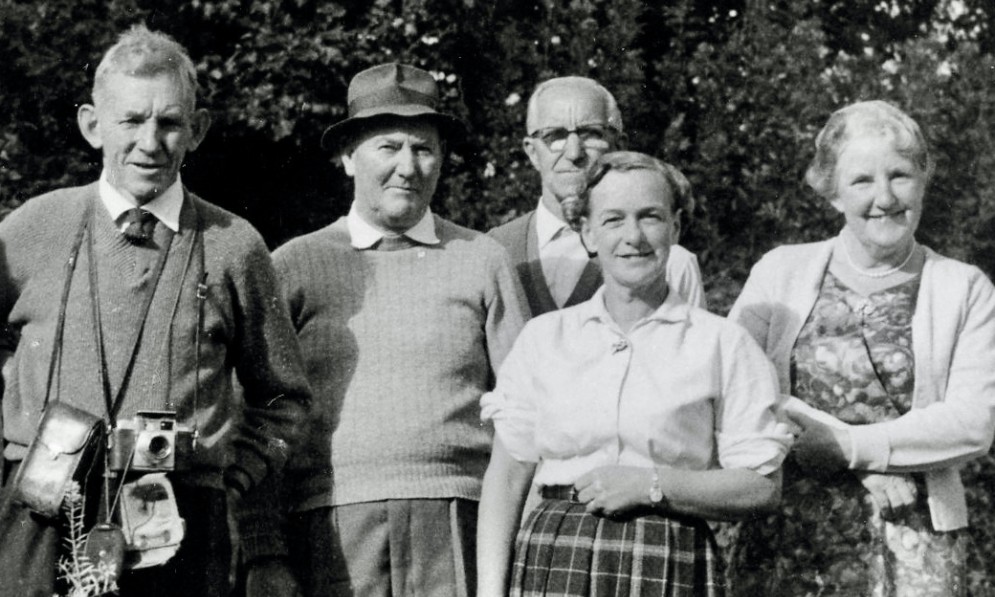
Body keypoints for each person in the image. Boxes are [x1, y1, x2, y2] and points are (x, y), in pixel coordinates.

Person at [0, 25, 311, 597]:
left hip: (178, 516)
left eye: (170, 122)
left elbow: (285, 399)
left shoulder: (233, 245)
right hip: (40, 509)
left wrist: (228, 477)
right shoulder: (29, 229)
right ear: (92, 125)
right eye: (131, 121)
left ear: (198, 129)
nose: (151, 141)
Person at [238, 63, 529, 597]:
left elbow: (529, 412)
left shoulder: (482, 258)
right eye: (388, 147)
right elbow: (255, 416)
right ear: (348, 157)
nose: (408, 167)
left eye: (424, 148)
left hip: (459, 519)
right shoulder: (295, 265)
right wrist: (263, 549)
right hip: (328, 527)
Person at [477, 151, 789, 597]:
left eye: (650, 217)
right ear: (587, 232)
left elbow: (761, 488)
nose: (633, 237)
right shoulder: (543, 338)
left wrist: (652, 485)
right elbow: (507, 478)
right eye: (613, 220)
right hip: (556, 553)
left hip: (668, 555)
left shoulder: (722, 344)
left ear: (676, 227)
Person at [726, 100, 995, 596]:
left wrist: (851, 449)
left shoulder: (965, 288)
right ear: (832, 193)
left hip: (916, 539)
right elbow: (733, 390)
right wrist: (856, 462)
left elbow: (974, 423)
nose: (885, 197)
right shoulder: (780, 271)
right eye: (862, 181)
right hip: (790, 536)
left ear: (923, 179)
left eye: (900, 175)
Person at [488, 76, 707, 316]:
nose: (574, 153)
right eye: (555, 136)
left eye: (590, 134)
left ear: (618, 146)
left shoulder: (663, 258)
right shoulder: (494, 250)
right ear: (531, 152)